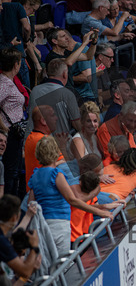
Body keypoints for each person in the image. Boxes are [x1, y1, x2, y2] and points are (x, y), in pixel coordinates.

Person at [28, 135, 112, 254]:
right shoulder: (57, 174)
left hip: (43, 224)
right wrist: (100, 212)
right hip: (59, 225)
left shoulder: (35, 175)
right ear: (55, 152)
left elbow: (30, 204)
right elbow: (72, 200)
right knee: (63, 261)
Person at [27, 58, 82, 136]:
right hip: (55, 141)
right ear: (64, 74)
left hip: (32, 139)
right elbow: (77, 125)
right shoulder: (67, 94)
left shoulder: (35, 90)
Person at [0, 48, 27, 198]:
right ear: (16, 64)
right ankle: (8, 203)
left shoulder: (10, 82)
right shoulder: (4, 83)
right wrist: (3, 127)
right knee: (10, 172)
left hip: (15, 133)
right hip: (9, 134)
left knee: (14, 171)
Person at [0, 195, 41, 286]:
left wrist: (28, 216)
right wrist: (34, 247)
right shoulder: (2, 242)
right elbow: (25, 272)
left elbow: (14, 233)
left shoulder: (4, 236)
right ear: (15, 218)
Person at [0, 127, 7, 197]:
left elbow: (1, 190)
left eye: (5, 142)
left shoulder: (1, 165)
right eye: (0, 141)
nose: (3, 144)